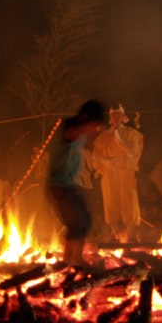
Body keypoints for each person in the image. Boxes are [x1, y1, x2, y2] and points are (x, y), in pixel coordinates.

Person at [47, 99, 105, 266]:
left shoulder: (80, 131)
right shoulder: (71, 129)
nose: (96, 128)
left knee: (84, 220)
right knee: (77, 222)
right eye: (95, 124)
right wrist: (81, 127)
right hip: (58, 185)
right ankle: (72, 261)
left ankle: (70, 260)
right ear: (86, 118)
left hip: (68, 184)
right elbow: (69, 132)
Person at [92, 104, 143, 243]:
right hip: (109, 173)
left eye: (118, 115)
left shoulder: (132, 134)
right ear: (110, 118)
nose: (115, 117)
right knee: (111, 200)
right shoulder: (103, 136)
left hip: (125, 171)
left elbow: (134, 153)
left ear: (123, 117)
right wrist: (105, 162)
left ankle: (131, 233)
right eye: (113, 115)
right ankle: (115, 233)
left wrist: (120, 142)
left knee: (129, 200)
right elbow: (96, 156)